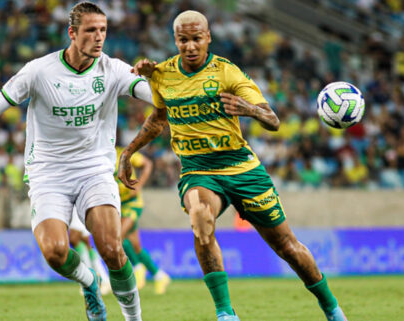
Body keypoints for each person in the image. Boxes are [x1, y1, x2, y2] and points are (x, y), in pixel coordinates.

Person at [0, 2, 152, 321]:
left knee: (112, 248)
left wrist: (160, 84)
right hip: (48, 175)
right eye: (90, 31)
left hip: (94, 171)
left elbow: (153, 95)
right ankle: (89, 281)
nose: (99, 38)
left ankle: (134, 319)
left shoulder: (112, 70)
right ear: (72, 33)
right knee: (56, 252)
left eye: (103, 30)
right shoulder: (39, 71)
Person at [119, 10, 347, 321]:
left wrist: (249, 109)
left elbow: (273, 120)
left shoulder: (227, 73)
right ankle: (226, 313)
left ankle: (331, 308)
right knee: (200, 218)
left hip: (242, 169)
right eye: (183, 40)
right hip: (198, 170)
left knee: (287, 247)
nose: (189, 46)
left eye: (196, 38)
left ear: (208, 37)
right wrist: (129, 151)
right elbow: (160, 118)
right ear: (175, 40)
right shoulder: (161, 74)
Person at [115, 143, 171, 294]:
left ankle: (138, 268)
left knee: (118, 236)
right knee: (135, 245)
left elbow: (147, 164)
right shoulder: (99, 157)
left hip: (132, 202)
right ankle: (160, 276)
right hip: (117, 204)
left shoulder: (122, 154)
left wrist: (139, 185)